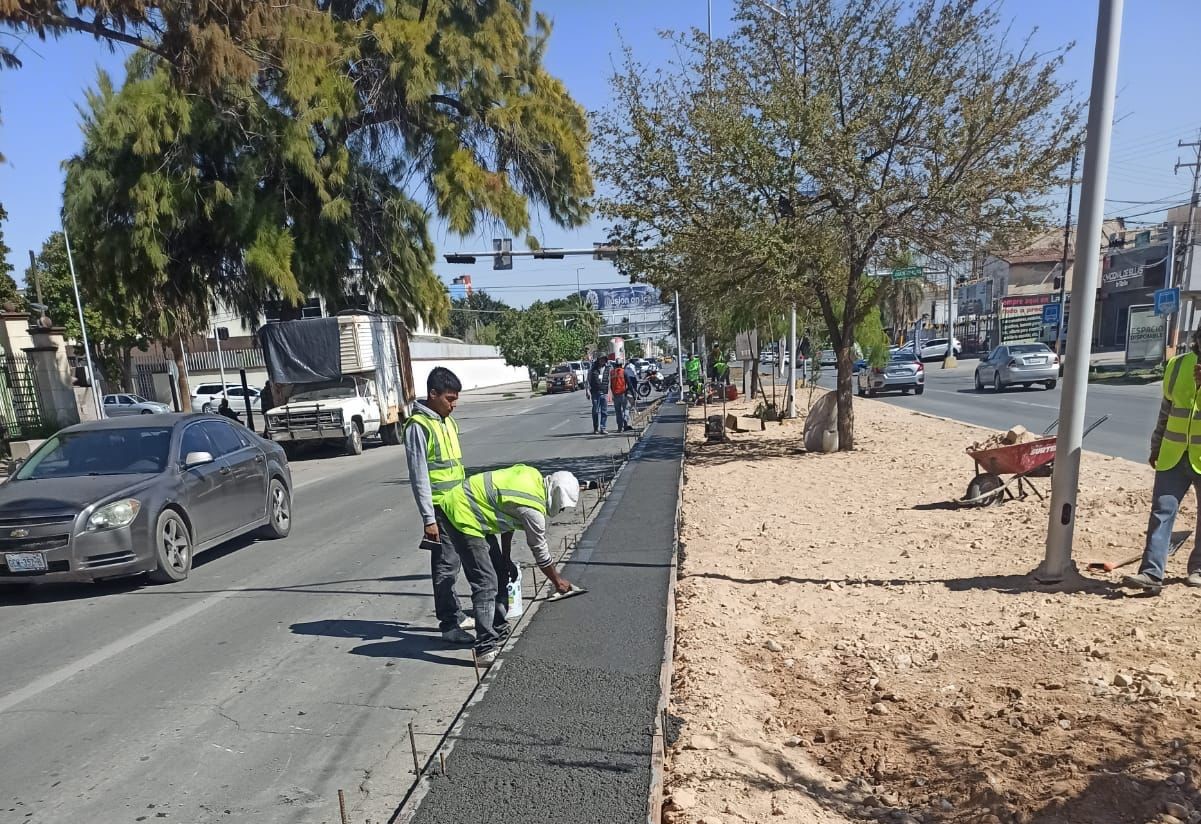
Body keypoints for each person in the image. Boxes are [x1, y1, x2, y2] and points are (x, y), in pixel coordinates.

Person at [439, 464, 579, 664]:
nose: (562, 510)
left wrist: (506, 558)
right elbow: (540, 553)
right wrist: (558, 582)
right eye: (563, 506)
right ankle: (484, 648)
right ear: (557, 496)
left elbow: (507, 519)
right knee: (486, 583)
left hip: (471, 508)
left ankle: (498, 627)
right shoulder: (533, 510)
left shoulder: (532, 478)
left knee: (500, 571)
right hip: (461, 513)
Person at [404, 367, 478, 643]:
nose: (453, 404)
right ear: (433, 394)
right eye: (449, 399)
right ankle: (449, 625)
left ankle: (456, 614)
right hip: (440, 507)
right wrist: (429, 519)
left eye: (456, 399)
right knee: (446, 566)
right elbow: (419, 475)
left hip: (460, 505)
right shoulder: (418, 426)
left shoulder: (448, 421)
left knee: (462, 560)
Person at [1123, 329, 1201, 592]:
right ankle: (1151, 574)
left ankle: (1199, 569)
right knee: (1161, 513)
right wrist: (1156, 445)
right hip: (1173, 455)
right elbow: (1166, 410)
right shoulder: (1177, 365)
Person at [587, 358, 610, 434]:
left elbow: (609, 381)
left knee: (604, 412)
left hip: (604, 393)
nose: (602, 361)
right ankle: (596, 428)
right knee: (595, 411)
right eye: (601, 359)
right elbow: (588, 381)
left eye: (604, 360)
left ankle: (603, 428)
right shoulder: (592, 369)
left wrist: (610, 393)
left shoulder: (608, 369)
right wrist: (587, 391)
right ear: (598, 360)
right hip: (595, 393)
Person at [610, 358, 629, 431]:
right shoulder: (624, 371)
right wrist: (633, 392)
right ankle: (625, 420)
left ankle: (620, 428)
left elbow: (611, 385)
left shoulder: (612, 372)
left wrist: (613, 393)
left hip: (615, 394)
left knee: (618, 411)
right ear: (621, 364)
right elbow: (628, 382)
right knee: (625, 409)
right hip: (623, 393)